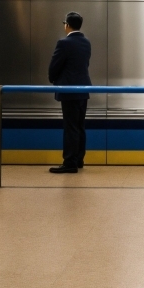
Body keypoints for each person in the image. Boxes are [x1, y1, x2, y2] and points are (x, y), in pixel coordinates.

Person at [48, 11, 92, 174]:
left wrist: (53, 79)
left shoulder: (64, 43)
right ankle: (79, 159)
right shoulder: (86, 42)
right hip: (84, 89)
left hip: (69, 90)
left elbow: (55, 66)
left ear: (67, 25)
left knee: (70, 126)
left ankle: (70, 163)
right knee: (79, 125)